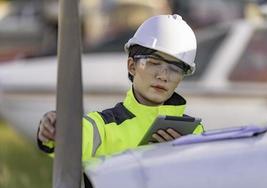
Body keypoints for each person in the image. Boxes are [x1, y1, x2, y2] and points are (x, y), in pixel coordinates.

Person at [37, 14, 205, 161]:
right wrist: (55, 129)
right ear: (132, 66)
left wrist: (186, 157)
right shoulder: (101, 127)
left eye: (175, 69)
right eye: (154, 63)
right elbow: (71, 140)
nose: (163, 76)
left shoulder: (195, 133)